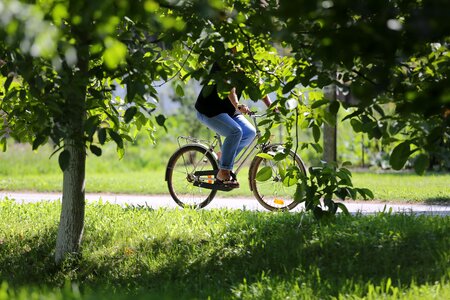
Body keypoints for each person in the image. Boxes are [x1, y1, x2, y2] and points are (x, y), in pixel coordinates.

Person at [195, 60, 272, 189]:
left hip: (228, 111)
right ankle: (224, 171)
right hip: (209, 109)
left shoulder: (249, 63)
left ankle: (222, 157)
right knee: (236, 131)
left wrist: (272, 107)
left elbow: (260, 86)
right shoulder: (225, 61)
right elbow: (229, 87)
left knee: (250, 133)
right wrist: (237, 105)